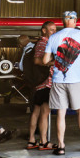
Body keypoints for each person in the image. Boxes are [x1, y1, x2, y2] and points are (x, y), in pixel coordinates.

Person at [43, 10, 80, 154]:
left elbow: (45, 60)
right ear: (75, 21)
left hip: (58, 80)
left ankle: (61, 146)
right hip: (77, 80)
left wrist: (58, 58)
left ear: (62, 21)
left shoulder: (54, 37)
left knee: (61, 113)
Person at [26, 20, 56, 150]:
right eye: (51, 29)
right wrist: (52, 63)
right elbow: (37, 60)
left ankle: (32, 140)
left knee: (36, 111)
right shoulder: (43, 43)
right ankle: (43, 141)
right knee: (45, 112)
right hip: (45, 83)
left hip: (39, 84)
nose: (54, 32)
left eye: (55, 29)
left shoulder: (41, 43)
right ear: (44, 30)